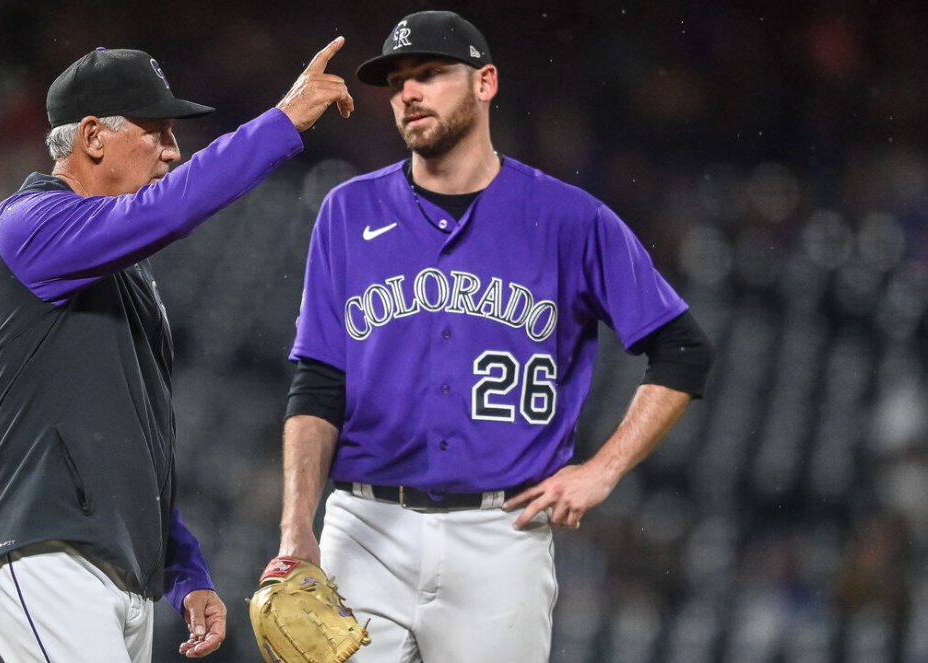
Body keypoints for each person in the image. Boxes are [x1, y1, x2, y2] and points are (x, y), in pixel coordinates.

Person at [274, 11, 713, 663]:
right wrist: (295, 529)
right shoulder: (348, 210)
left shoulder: (569, 219)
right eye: (396, 82)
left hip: (501, 535)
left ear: (485, 83)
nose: (409, 92)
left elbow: (682, 348)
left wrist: (602, 471)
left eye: (429, 73)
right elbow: (318, 381)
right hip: (364, 527)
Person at [0, 39, 353, 663]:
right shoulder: (27, 224)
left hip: (122, 573)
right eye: (157, 132)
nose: (173, 151)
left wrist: (184, 569)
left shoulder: (126, 277)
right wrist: (283, 121)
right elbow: (169, 209)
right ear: (92, 137)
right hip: (45, 552)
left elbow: (136, 439)